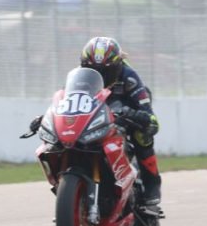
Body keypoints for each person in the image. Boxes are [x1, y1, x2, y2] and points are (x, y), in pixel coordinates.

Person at [29, 36, 161, 207]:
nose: (101, 76)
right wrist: (47, 117)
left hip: (121, 113)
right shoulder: (78, 76)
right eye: (93, 70)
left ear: (117, 66)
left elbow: (150, 117)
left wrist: (139, 117)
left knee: (143, 134)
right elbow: (66, 102)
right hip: (93, 116)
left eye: (106, 71)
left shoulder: (130, 77)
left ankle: (152, 183)